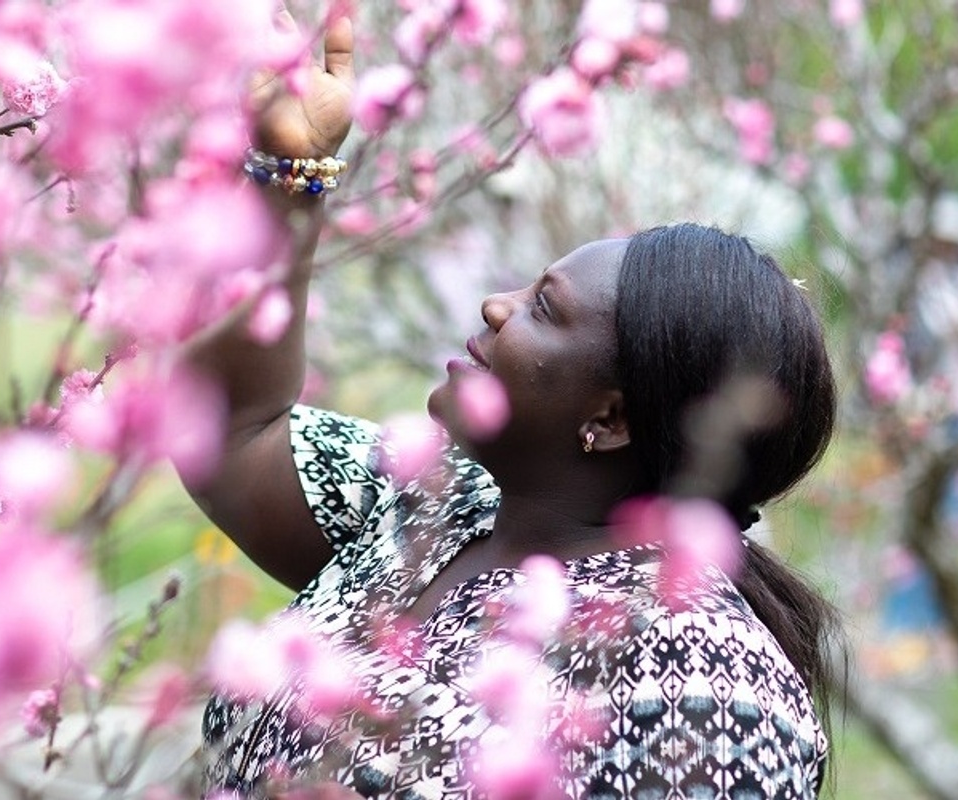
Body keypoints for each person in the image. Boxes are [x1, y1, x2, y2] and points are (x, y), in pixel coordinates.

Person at [182, 11, 839, 800]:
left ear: (612, 418)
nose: (496, 306)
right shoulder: (433, 506)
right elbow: (225, 428)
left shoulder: (704, 678)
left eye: (545, 310)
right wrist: (291, 177)